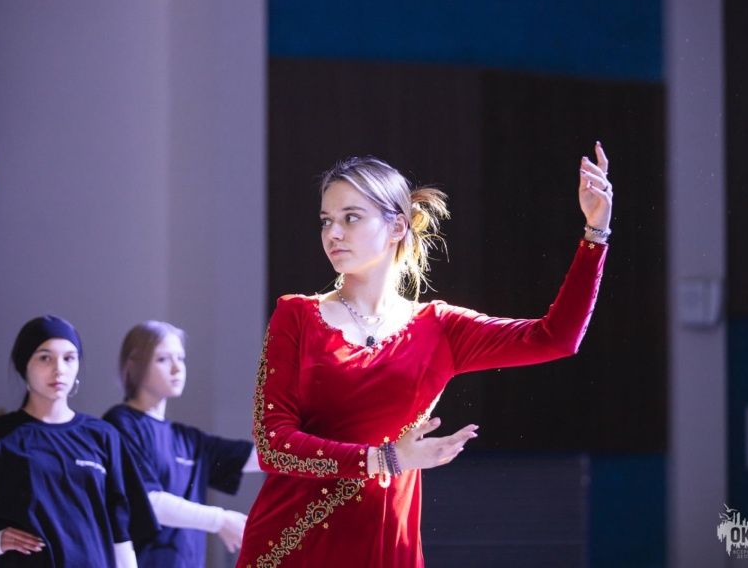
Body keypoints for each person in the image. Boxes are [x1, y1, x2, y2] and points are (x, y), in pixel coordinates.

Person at [236, 144, 613, 567]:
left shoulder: (440, 327)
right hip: (290, 544)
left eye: (350, 218)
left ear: (397, 226)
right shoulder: (296, 315)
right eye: (326, 221)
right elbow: (273, 445)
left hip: (386, 544)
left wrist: (595, 233)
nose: (333, 233)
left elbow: (556, 338)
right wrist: (385, 458)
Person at [0, 315, 158, 567]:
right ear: (24, 366)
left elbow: (120, 534)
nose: (59, 369)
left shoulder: (103, 436)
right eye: (45, 358)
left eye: (69, 358)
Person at [104, 320, 261, 567]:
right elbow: (149, 501)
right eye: (163, 359)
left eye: (180, 358)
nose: (177, 369)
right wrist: (219, 520)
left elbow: (258, 457)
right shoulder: (120, 424)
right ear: (132, 365)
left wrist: (316, 446)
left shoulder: (187, 439)